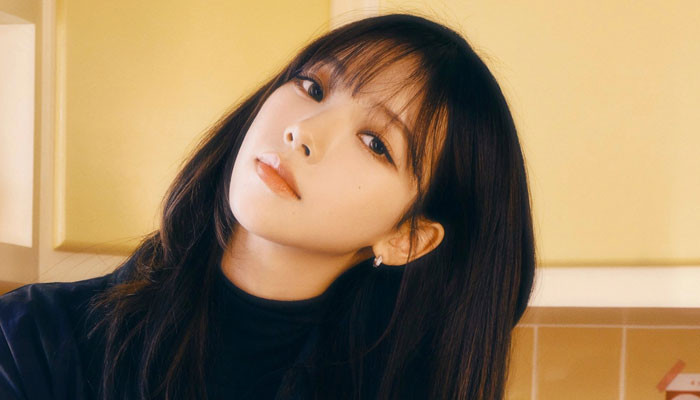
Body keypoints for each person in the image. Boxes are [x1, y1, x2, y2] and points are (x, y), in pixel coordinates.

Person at [0, 12, 536, 400]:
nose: (303, 130)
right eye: (313, 87)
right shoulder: (30, 340)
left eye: (375, 142)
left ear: (407, 239)